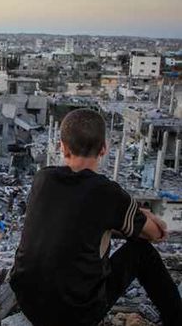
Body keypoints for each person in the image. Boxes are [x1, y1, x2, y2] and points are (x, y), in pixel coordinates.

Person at [10, 109, 182, 326]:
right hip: (77, 315)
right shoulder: (108, 193)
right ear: (104, 149)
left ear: (62, 147)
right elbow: (156, 234)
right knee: (141, 252)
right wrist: (142, 215)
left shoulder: (43, 179)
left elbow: (80, 221)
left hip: (28, 302)